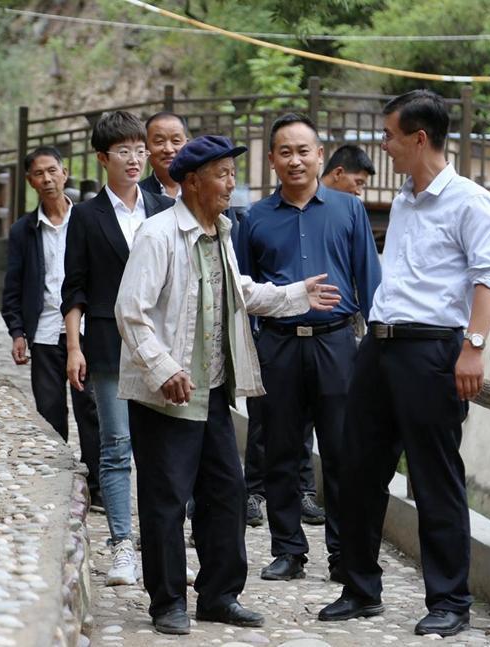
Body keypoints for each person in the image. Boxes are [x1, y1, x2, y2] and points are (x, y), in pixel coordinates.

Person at [114, 135, 342, 635]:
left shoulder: (222, 231)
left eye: (232, 174)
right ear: (193, 182)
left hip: (212, 391)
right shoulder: (158, 235)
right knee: (166, 501)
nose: (231, 184)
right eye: (222, 175)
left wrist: (295, 295)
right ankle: (167, 602)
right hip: (166, 394)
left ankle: (219, 596)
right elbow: (130, 312)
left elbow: (239, 292)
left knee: (226, 494)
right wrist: (163, 369)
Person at [318, 89, 490, 637]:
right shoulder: (403, 197)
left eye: (390, 135)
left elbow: (489, 277)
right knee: (357, 469)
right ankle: (360, 587)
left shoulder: (469, 200)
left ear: (419, 138)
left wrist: (473, 346)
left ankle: (450, 601)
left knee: (434, 476)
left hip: (432, 351)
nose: (383, 145)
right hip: (379, 346)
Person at [238, 114, 381, 584]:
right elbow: (242, 290)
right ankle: (288, 550)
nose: (295, 160)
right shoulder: (254, 218)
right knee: (280, 450)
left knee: (342, 451)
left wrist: (374, 346)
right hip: (277, 345)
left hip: (336, 343)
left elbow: (369, 279)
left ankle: (343, 552)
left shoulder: (349, 210)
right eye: (285, 152)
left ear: (320, 155)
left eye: (304, 151)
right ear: (272, 159)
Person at [61, 111, 174, 586]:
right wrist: (74, 347)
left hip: (160, 343)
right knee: (116, 445)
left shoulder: (163, 209)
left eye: (139, 150)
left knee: (162, 450)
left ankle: (163, 548)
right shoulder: (86, 216)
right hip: (107, 344)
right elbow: (74, 288)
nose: (134, 159)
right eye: (124, 151)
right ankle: (122, 546)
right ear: (102, 158)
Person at [1, 145, 102, 509]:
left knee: (91, 409)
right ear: (30, 181)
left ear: (65, 172)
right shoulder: (24, 230)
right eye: (39, 174)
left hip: (86, 330)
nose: (47, 179)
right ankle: (58, 483)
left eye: (52, 171)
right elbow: (13, 284)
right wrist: (17, 331)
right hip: (44, 332)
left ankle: (98, 486)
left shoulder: (87, 220)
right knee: (49, 411)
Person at [139, 111, 189, 199]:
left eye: (176, 141)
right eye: (159, 141)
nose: (169, 149)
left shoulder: (204, 188)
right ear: (146, 147)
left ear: (187, 145)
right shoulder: (137, 194)